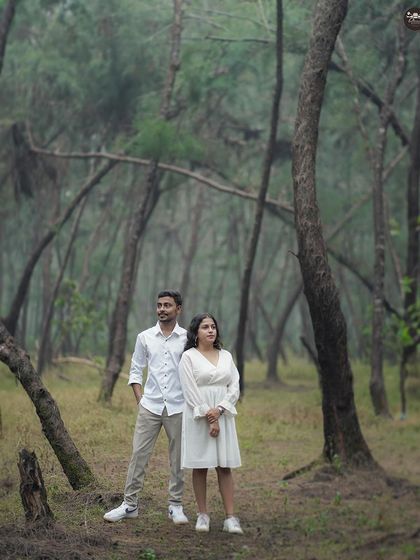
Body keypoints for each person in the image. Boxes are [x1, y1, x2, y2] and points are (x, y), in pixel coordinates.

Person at [104, 290, 189, 525]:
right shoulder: (145, 337)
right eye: (159, 305)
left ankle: (175, 505)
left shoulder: (187, 338)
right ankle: (129, 505)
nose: (162, 309)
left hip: (178, 406)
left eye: (168, 305)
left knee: (178, 457)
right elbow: (135, 370)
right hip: (149, 406)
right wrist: (140, 399)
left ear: (178, 309)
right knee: (138, 455)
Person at [178, 313, 243, 534]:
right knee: (200, 465)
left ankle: (230, 518)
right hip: (198, 416)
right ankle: (202, 514)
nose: (210, 330)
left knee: (224, 466)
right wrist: (209, 416)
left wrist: (220, 410)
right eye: (205, 327)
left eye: (213, 326)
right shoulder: (189, 357)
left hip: (223, 413)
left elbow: (234, 385)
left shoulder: (226, 356)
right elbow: (190, 391)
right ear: (196, 332)